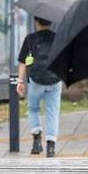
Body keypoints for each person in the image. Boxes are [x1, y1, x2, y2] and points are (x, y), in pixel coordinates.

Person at [16, 17, 62, 157]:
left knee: (33, 109)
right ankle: (51, 146)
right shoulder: (58, 38)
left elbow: (23, 62)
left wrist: (20, 81)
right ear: (51, 22)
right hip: (55, 79)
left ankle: (36, 141)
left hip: (36, 80)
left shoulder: (30, 39)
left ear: (36, 22)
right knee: (52, 111)